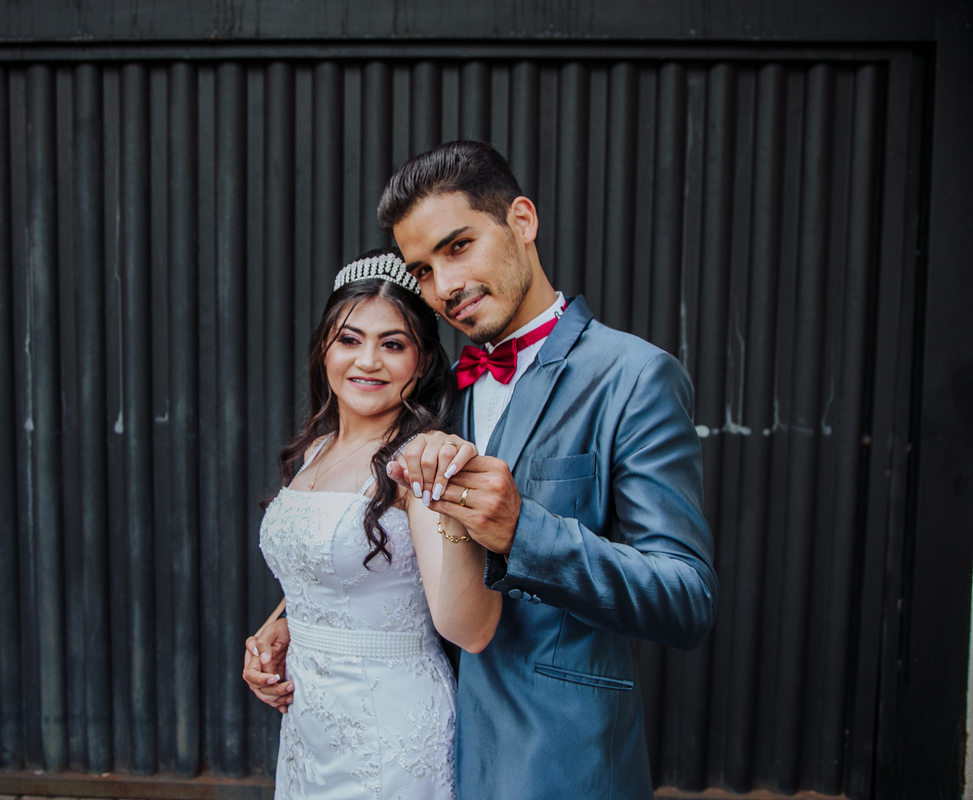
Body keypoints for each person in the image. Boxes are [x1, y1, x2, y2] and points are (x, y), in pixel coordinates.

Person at [246, 142, 717, 799]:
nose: (445, 287)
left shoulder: (632, 377)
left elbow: (687, 599)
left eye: (459, 246)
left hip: (556, 759)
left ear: (522, 220)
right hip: (426, 745)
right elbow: (383, 542)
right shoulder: (436, 394)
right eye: (424, 269)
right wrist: (293, 616)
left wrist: (524, 531)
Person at [249, 248, 500, 799]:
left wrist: (447, 502)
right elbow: (330, 565)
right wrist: (278, 625)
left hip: (390, 734)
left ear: (423, 360)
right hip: (309, 728)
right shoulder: (314, 451)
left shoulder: (418, 463)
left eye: (392, 344)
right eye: (349, 339)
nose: (367, 361)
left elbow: (472, 630)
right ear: (324, 347)